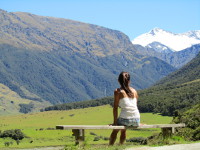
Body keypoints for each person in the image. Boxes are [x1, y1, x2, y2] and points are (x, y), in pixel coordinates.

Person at [109, 71, 140, 145]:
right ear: (129, 81)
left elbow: (115, 108)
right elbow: (134, 106)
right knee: (124, 130)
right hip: (137, 119)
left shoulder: (118, 91)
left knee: (115, 130)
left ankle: (110, 147)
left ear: (118, 80)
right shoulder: (134, 91)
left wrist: (115, 123)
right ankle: (121, 146)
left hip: (125, 119)